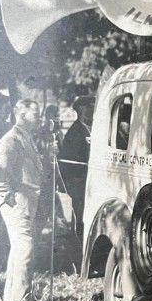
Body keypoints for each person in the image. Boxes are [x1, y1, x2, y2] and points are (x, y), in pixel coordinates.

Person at [0, 99, 45, 301]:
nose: (40, 118)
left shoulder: (26, 138)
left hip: (27, 201)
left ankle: (12, 298)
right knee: (25, 247)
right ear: (21, 115)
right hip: (16, 203)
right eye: (36, 114)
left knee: (19, 248)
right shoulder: (10, 140)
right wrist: (9, 197)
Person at [59, 97, 92, 237]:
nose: (93, 110)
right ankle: (77, 242)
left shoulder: (90, 128)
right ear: (81, 110)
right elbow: (69, 160)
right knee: (79, 215)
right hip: (77, 180)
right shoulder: (76, 131)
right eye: (90, 107)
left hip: (86, 180)